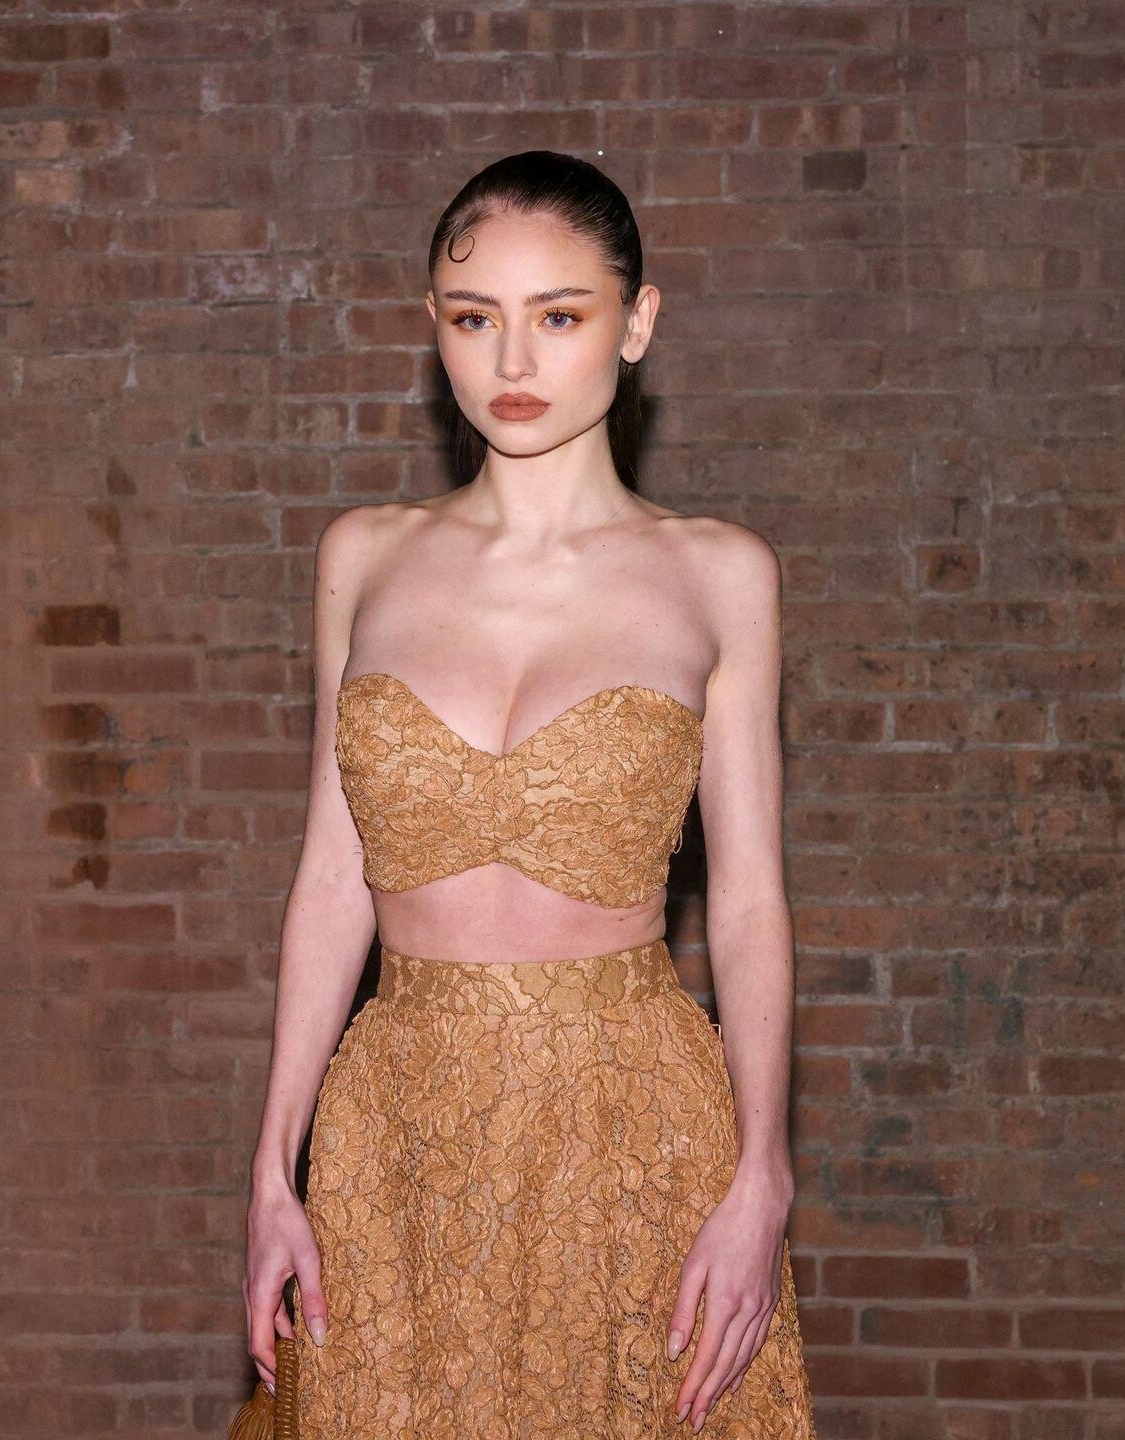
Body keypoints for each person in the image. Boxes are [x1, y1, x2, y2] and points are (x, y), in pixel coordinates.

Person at [243, 150, 816, 1438]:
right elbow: (331, 877)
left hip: (635, 1123)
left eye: (559, 316)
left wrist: (762, 1175)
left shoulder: (719, 574)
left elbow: (749, 902)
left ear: (637, 323)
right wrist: (273, 1170)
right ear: (433, 330)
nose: (512, 360)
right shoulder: (364, 558)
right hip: (399, 1127)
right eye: (473, 318)